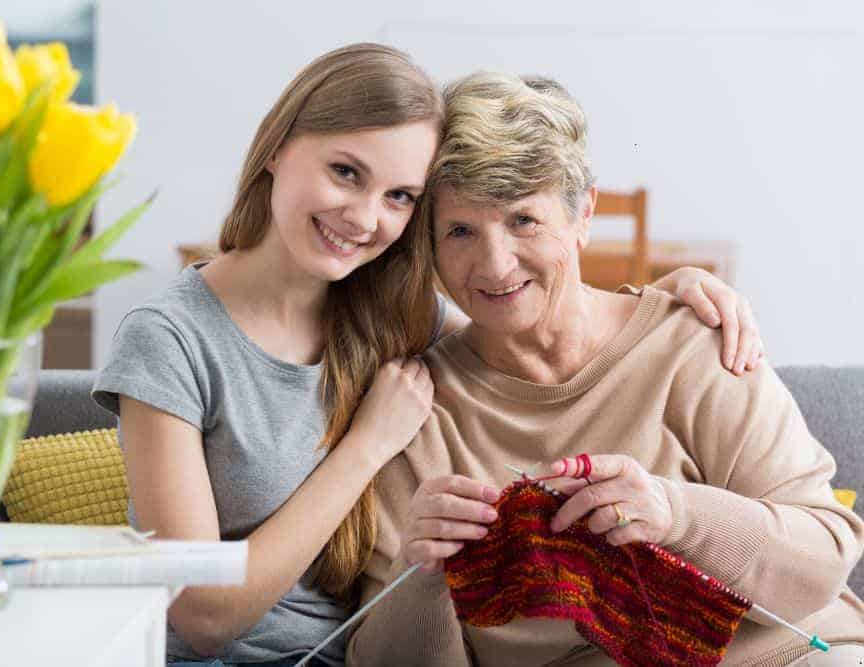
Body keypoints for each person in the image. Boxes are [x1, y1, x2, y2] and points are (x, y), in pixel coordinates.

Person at [92, 46, 765, 666]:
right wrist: (365, 446)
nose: (363, 217)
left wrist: (663, 299)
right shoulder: (168, 338)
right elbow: (206, 615)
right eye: (345, 172)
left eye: (399, 197)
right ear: (277, 146)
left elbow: (526, 312)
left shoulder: (395, 319)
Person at [345, 72, 864, 666]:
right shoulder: (412, 409)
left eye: (523, 221)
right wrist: (422, 577)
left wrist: (677, 514)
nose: (493, 264)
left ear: (583, 212)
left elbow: (824, 555)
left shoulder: (695, 341)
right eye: (460, 231)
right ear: (429, 246)